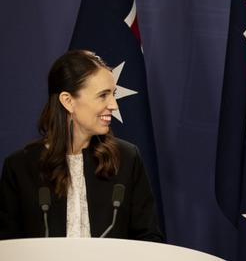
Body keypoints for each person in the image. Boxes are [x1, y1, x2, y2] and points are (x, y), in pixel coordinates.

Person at [0, 50, 164, 241]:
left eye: (113, 94)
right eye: (103, 95)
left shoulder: (127, 159)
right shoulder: (20, 167)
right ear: (68, 101)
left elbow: (149, 239)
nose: (114, 105)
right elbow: (7, 245)